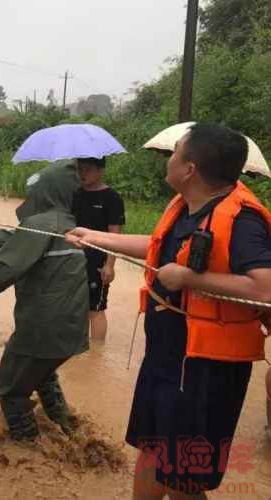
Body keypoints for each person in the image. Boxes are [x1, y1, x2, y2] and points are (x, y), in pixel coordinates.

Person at [66, 124, 271, 498]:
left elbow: (265, 288)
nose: (169, 159)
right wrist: (96, 238)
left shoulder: (243, 221)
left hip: (204, 367)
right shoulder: (187, 207)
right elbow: (158, 246)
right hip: (166, 354)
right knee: (151, 449)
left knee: (184, 478)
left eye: (175, 152)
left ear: (189, 168)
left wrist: (192, 279)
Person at [0, 162, 89, 441]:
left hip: (41, 329)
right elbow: (26, 242)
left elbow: (3, 272)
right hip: (71, 328)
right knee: (42, 374)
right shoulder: (64, 221)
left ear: (45, 192)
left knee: (11, 389)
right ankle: (69, 430)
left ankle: (28, 450)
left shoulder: (40, 224)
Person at [72, 157, 125, 340]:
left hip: (97, 261)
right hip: (73, 258)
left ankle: (96, 355)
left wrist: (110, 265)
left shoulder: (112, 198)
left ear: (101, 171)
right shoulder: (75, 194)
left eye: (87, 169)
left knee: (95, 308)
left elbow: (115, 235)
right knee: (75, 307)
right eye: (79, 169)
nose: (82, 174)